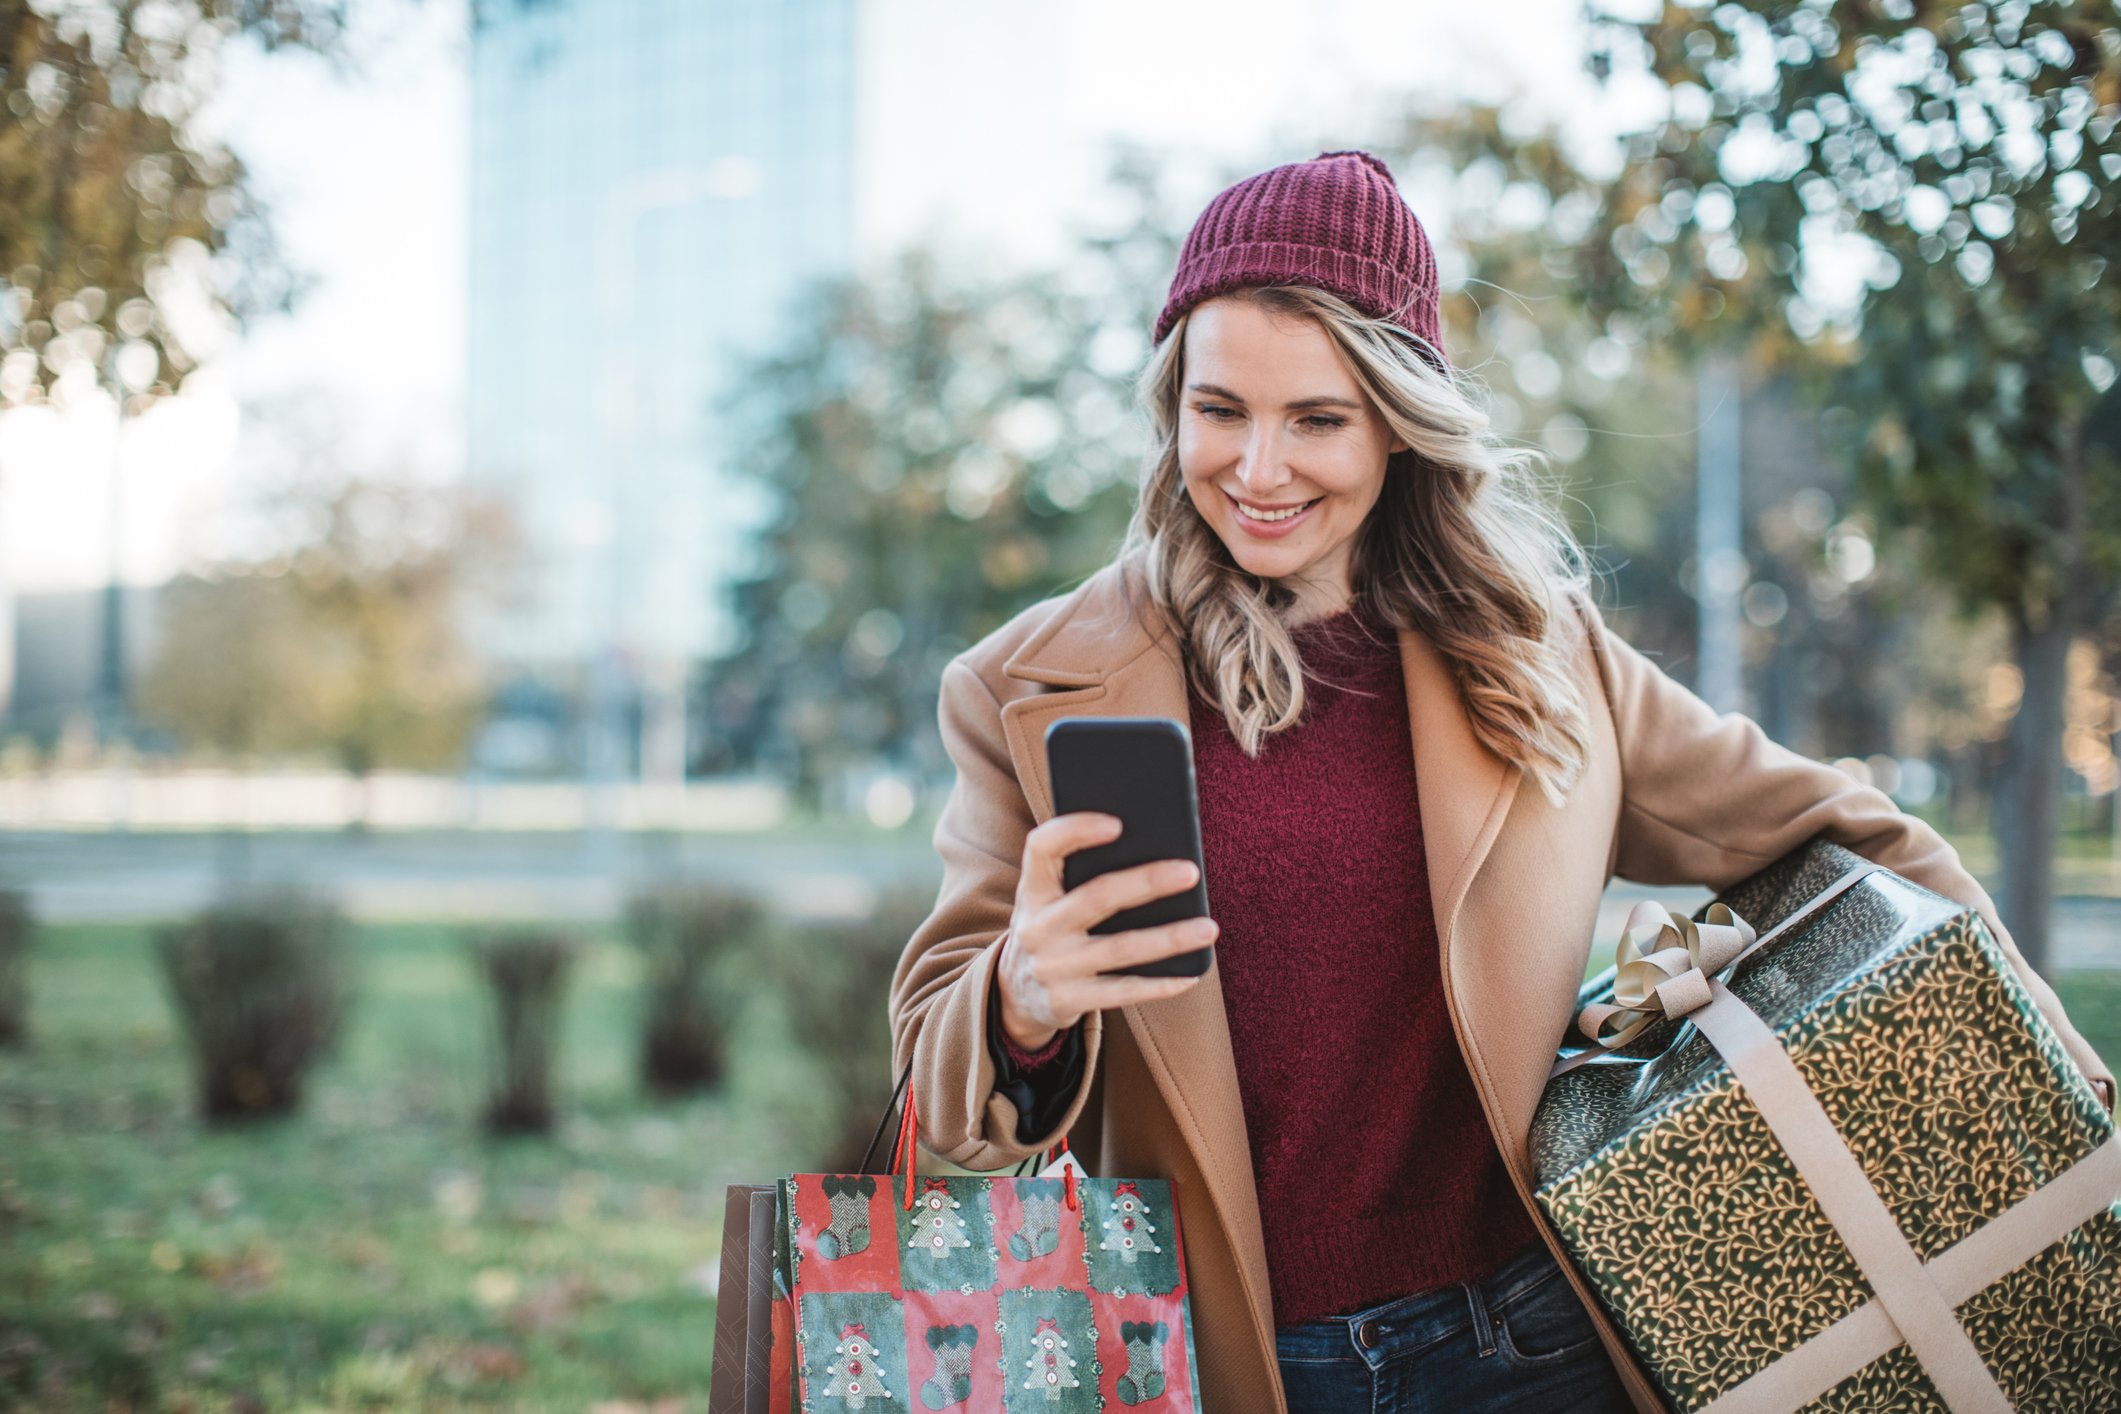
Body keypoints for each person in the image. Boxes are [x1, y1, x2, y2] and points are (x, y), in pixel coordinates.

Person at [884, 148, 2116, 1414]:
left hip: (1541, 1340)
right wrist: (1021, 995)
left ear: (1401, 420)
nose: (1258, 469)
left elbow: (1854, 834)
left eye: (1318, 418)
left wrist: (2072, 1101)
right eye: (1219, 410)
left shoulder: (1537, 649)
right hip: (1235, 1366)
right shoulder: (1028, 686)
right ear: (1170, 404)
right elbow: (951, 1112)